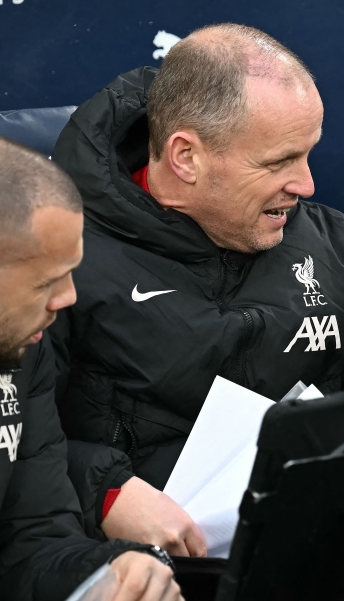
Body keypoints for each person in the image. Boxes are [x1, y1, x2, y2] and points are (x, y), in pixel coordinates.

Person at [50, 23, 344, 557]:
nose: (306, 185)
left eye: (307, 154)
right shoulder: (57, 258)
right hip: (156, 569)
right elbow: (18, 446)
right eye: (278, 162)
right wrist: (104, 495)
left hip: (329, 550)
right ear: (186, 157)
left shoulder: (336, 246)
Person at [0, 136, 181, 600]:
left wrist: (111, 570)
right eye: (46, 281)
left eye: (71, 272)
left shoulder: (25, 348)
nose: (67, 299)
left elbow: (35, 543)